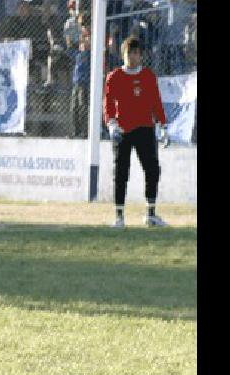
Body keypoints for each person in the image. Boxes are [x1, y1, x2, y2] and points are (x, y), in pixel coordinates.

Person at [103, 36, 169, 228]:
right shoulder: (114, 77)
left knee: (153, 169)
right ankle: (119, 217)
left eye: (136, 53)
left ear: (141, 55)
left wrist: (163, 125)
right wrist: (111, 124)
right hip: (122, 130)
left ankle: (150, 214)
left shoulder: (148, 76)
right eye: (128, 53)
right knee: (121, 172)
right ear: (122, 55)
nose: (132, 57)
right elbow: (107, 103)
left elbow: (156, 102)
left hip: (145, 129)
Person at [69, 26, 91, 138]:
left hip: (84, 82)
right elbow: (69, 50)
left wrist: (87, 45)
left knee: (83, 106)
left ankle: (84, 131)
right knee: (74, 107)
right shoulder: (77, 52)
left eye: (86, 38)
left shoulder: (89, 54)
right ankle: (75, 131)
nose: (83, 41)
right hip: (76, 82)